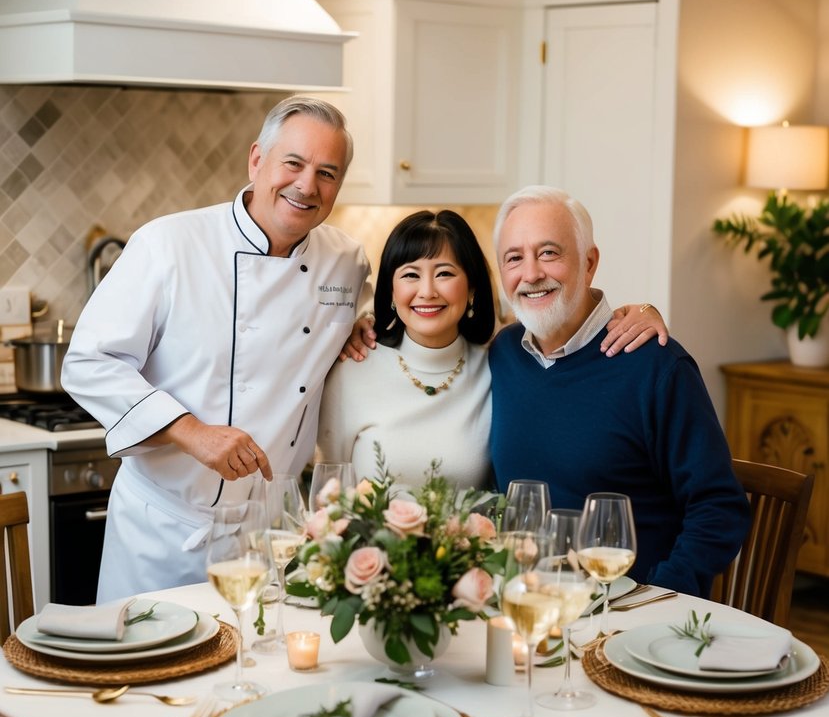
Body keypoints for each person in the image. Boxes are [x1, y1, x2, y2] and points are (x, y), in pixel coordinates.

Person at [62, 96, 373, 600]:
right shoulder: (169, 244)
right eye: (292, 163)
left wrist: (362, 325)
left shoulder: (346, 261)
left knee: (254, 672)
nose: (306, 185)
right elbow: (88, 362)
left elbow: (361, 325)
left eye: (327, 173)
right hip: (164, 534)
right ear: (257, 160)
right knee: (148, 675)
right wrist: (192, 432)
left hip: (273, 540)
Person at [488, 185, 751, 597]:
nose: (532, 273)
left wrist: (658, 599)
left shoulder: (655, 365)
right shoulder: (503, 354)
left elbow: (719, 507)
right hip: (525, 603)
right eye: (514, 258)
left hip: (625, 614)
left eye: (549, 253)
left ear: (589, 262)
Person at [317, 209, 669, 490]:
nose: (426, 291)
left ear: (471, 289)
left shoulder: (502, 359)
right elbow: (328, 494)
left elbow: (565, 324)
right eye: (410, 275)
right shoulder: (353, 367)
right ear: (391, 292)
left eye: (444, 273)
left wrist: (643, 311)